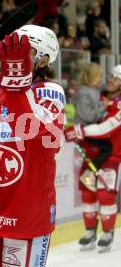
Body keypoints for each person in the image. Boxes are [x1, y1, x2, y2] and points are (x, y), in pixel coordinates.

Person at [0, 25, 65, 267]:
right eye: (11, 53)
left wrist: (16, 85)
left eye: (24, 52)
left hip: (28, 212)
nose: (13, 60)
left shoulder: (51, 92)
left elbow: (33, 130)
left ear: (43, 59)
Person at [64, 65, 121, 253]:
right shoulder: (100, 96)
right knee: (88, 193)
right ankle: (90, 232)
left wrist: (79, 131)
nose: (111, 80)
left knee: (105, 194)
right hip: (91, 154)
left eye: (116, 78)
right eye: (111, 76)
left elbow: (107, 128)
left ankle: (107, 233)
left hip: (111, 156)